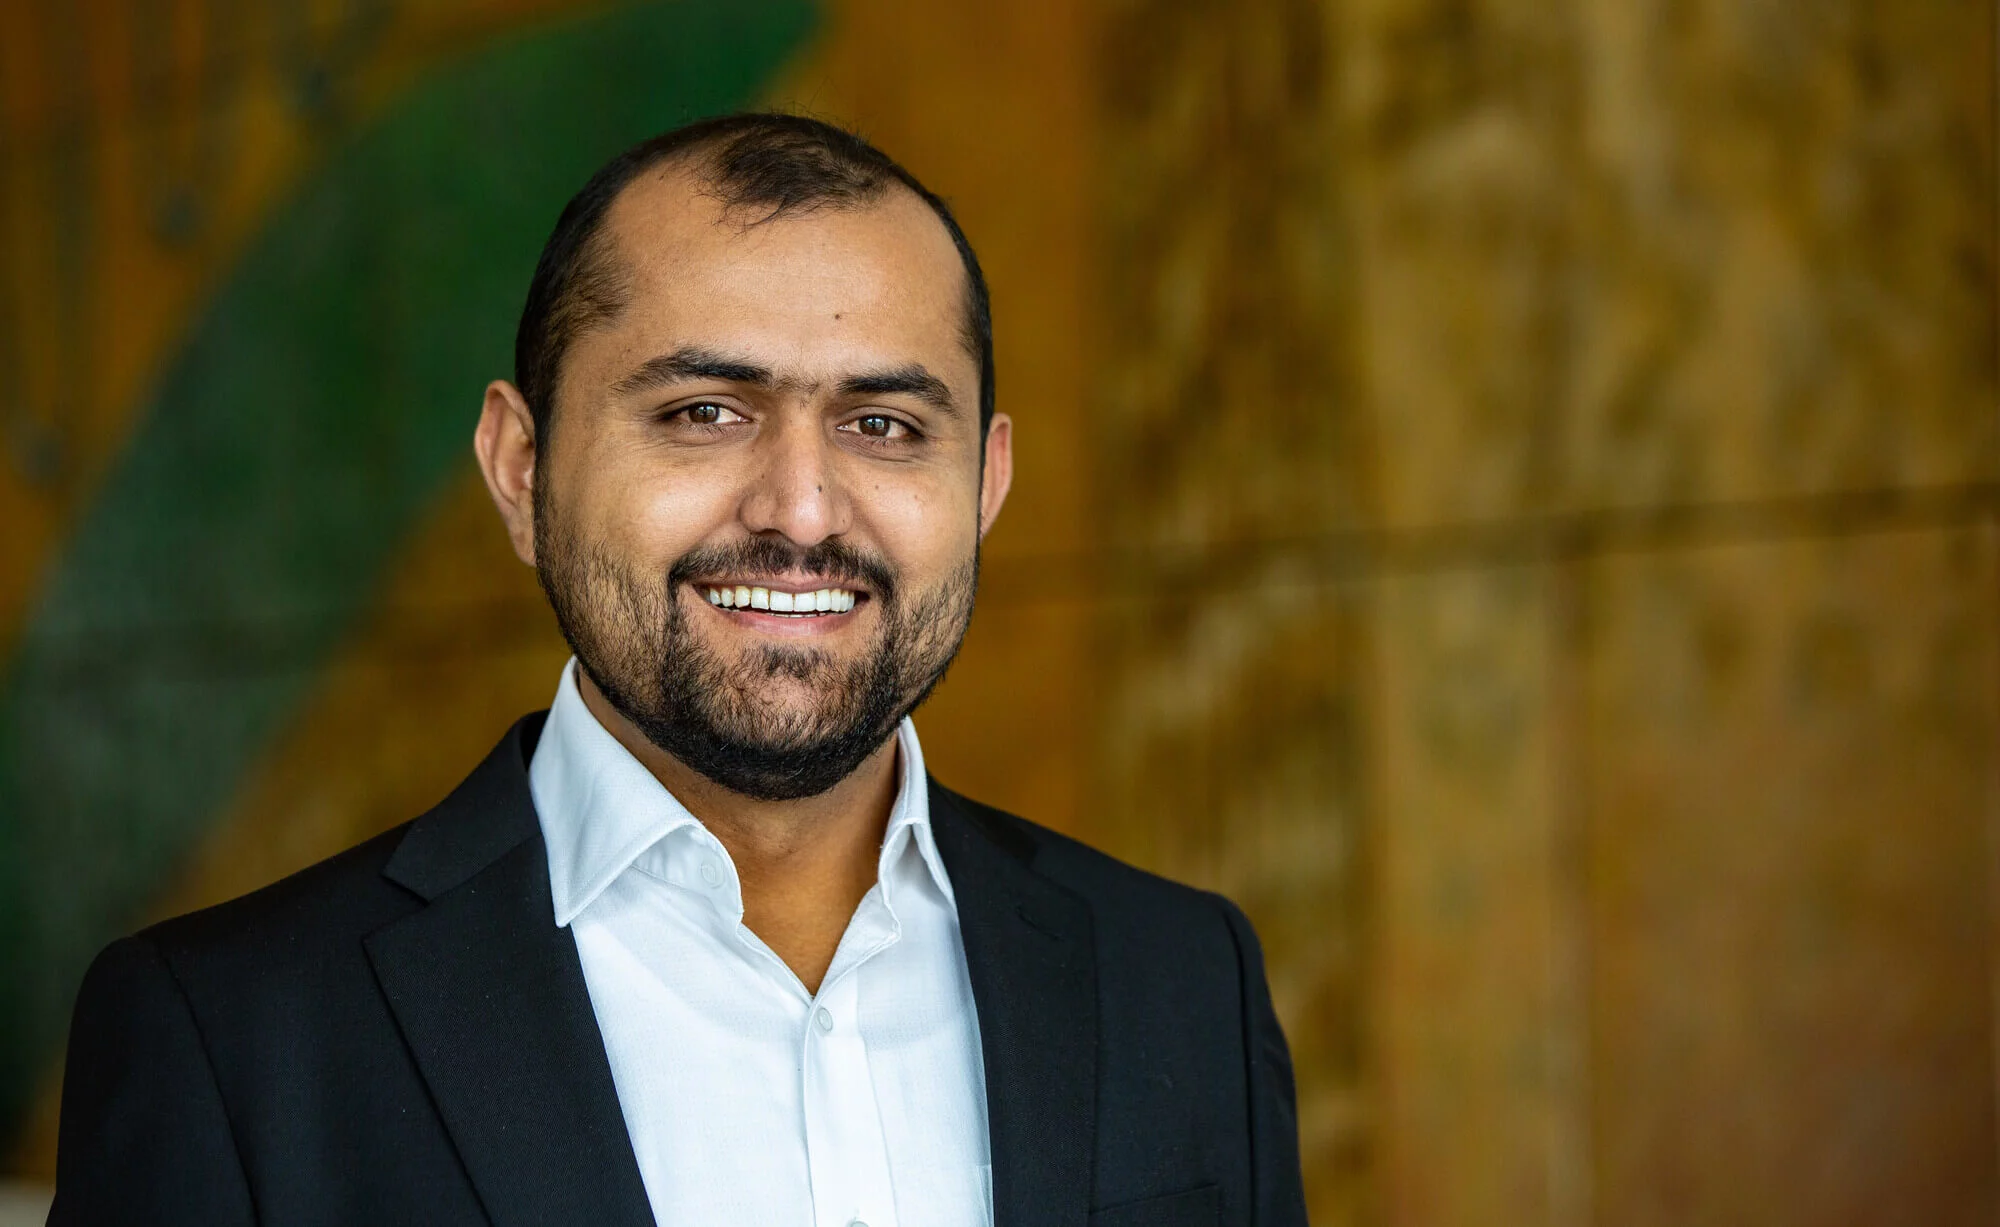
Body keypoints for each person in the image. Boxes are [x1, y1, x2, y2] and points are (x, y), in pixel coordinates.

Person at [49, 113, 1307, 1226]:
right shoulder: (230, 1040)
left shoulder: (1179, 978)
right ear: (519, 468)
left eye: (882, 426)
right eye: (704, 412)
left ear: (984, 483)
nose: (802, 509)